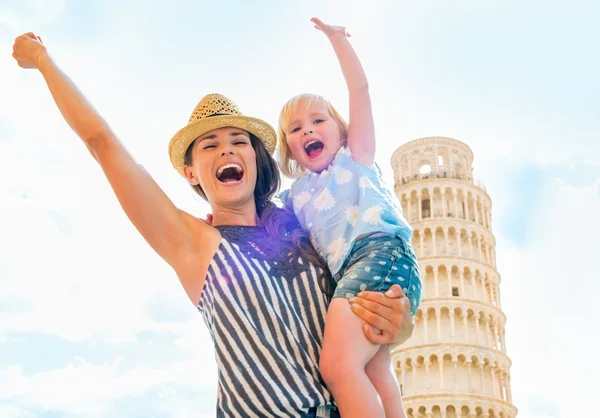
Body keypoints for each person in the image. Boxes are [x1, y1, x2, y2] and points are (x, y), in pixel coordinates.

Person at [12, 31, 415, 418]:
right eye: (210, 145)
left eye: (239, 141)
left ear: (257, 159)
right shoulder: (193, 243)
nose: (227, 148)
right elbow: (102, 142)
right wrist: (45, 63)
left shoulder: (306, 229)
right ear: (191, 173)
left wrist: (396, 320)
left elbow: (366, 304)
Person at [276, 18, 423, 418]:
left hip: (379, 253)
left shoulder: (355, 157)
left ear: (342, 131)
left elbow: (360, 90)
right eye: (295, 128)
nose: (308, 129)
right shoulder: (298, 196)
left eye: (319, 120)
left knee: (337, 366)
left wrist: (338, 40)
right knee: (375, 369)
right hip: (355, 272)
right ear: (289, 149)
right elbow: (262, 221)